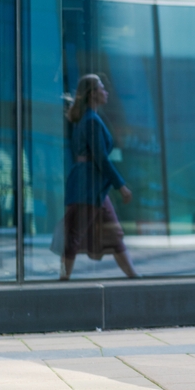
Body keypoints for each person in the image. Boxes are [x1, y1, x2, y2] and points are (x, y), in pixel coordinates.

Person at [61, 74, 138, 280]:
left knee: (114, 234)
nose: (106, 92)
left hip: (93, 188)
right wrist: (121, 186)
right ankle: (62, 279)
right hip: (87, 188)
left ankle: (133, 276)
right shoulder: (91, 121)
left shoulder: (85, 119)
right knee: (74, 235)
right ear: (93, 94)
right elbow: (101, 160)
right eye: (102, 88)